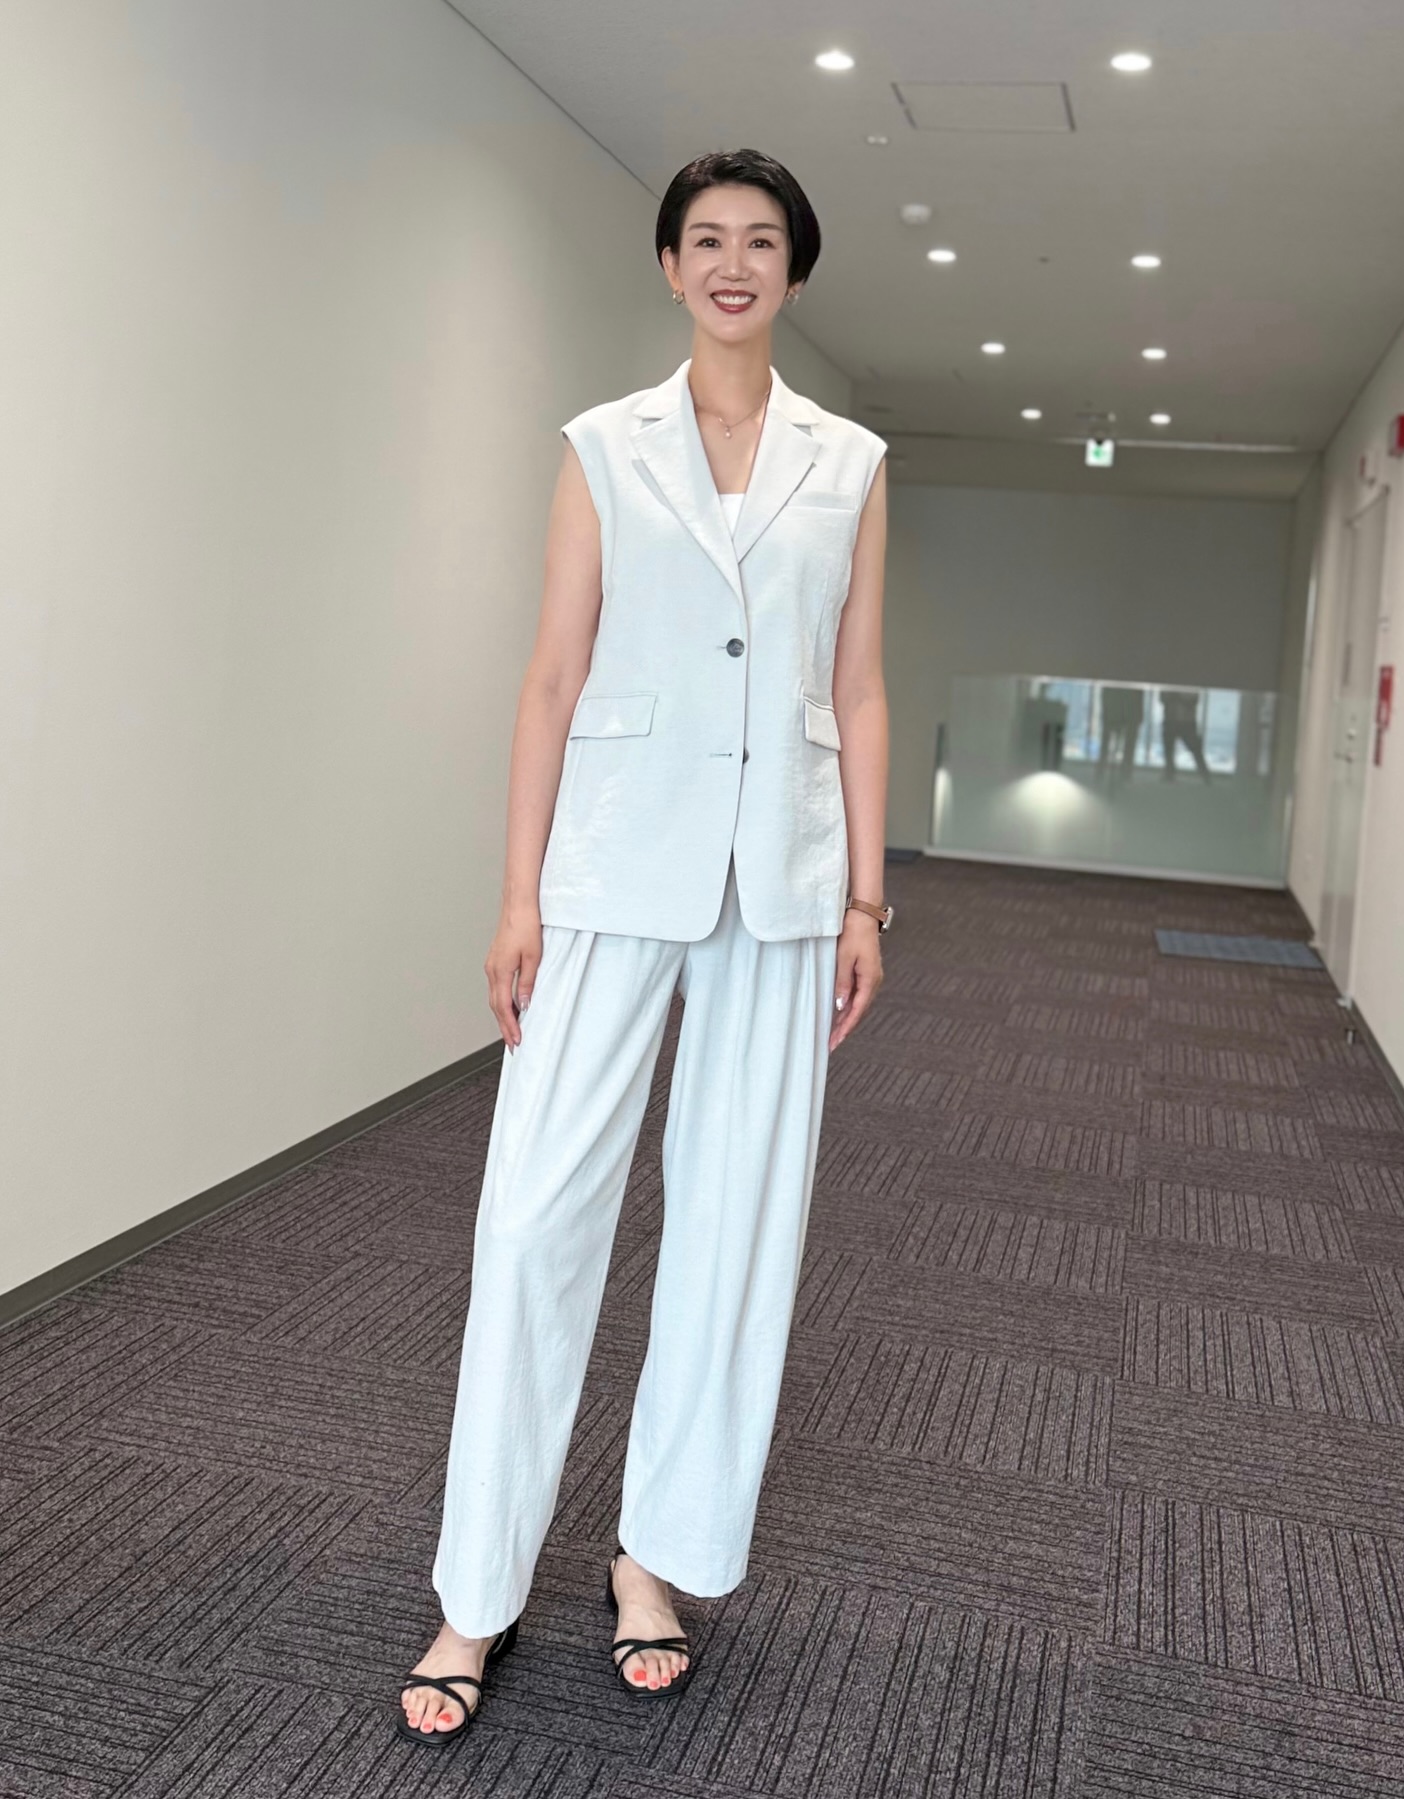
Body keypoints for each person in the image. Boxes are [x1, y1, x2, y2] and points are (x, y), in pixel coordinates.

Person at [396, 147, 891, 1746]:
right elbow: (552, 673)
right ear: (671, 267)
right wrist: (517, 893)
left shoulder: (851, 461)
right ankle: (476, 1590)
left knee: (732, 1230)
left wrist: (865, 899)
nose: (734, 263)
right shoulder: (604, 446)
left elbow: (858, 686)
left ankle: (653, 1561)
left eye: (763, 241)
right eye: (707, 239)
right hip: (608, 871)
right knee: (534, 1219)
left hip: (784, 886)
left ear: (794, 271)